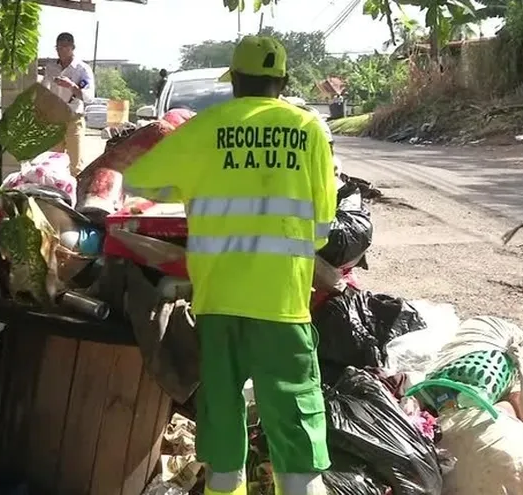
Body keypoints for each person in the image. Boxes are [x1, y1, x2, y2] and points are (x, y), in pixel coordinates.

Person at [123, 36, 336, 495]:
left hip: (218, 299)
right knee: (296, 420)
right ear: (282, 81)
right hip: (282, 303)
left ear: (236, 80)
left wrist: (194, 183)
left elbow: (139, 181)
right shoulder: (309, 129)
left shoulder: (207, 127)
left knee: (221, 415)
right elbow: (322, 227)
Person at [42, 32, 96, 176]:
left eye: (65, 47)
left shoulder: (82, 69)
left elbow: (89, 97)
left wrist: (71, 86)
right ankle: (55, 189)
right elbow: (44, 90)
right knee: (52, 164)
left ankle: (76, 189)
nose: (62, 50)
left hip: (73, 119)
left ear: (72, 47)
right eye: (59, 47)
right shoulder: (51, 68)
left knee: (75, 165)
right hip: (55, 119)